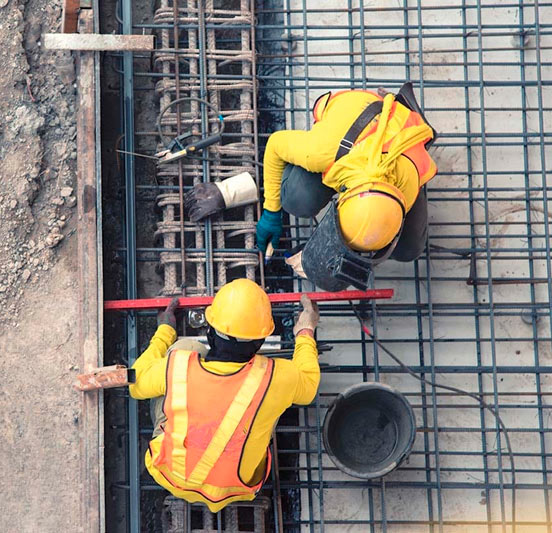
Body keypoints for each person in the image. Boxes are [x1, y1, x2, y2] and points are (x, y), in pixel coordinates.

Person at [129, 279, 320, 512]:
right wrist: (305, 331)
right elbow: (309, 385)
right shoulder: (276, 377)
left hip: (170, 474)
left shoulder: (178, 366)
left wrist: (165, 331)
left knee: (186, 349)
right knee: (270, 400)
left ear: (210, 333)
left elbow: (135, 384)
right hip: (238, 488)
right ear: (260, 342)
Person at [254, 83, 437, 290]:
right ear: (342, 199)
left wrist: (325, 258)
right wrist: (271, 210)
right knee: (296, 199)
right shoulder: (321, 151)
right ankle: (393, 102)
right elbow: (275, 145)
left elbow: (370, 229)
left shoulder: (409, 184)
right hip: (354, 115)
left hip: (403, 139)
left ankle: (406, 109)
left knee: (408, 249)